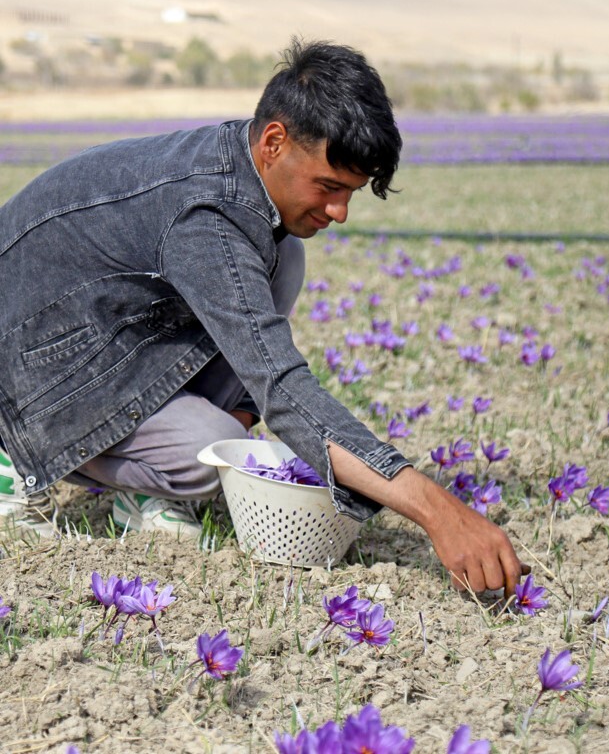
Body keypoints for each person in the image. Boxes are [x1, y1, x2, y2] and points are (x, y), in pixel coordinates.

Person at [0, 38, 526, 597]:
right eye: (328, 187)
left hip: (97, 331)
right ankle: (12, 454)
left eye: (350, 193)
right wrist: (438, 511)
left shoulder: (243, 169)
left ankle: (147, 483)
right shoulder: (205, 218)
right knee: (214, 454)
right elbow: (280, 384)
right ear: (275, 140)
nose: (339, 212)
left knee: (282, 257)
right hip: (25, 362)